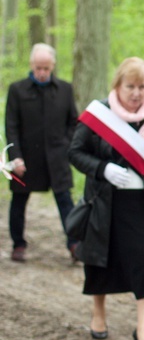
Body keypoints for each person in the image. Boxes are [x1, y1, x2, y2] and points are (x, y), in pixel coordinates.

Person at [68, 57, 144, 340]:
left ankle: (142, 330)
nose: (137, 93)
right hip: (105, 202)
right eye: (130, 86)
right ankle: (98, 314)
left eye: (142, 87)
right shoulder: (98, 114)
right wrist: (102, 169)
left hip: (143, 205)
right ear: (118, 84)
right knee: (101, 261)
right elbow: (75, 153)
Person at [5, 43, 79, 262]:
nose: (42, 73)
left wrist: (66, 145)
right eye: (38, 68)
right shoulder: (17, 90)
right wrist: (15, 157)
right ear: (31, 65)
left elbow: (74, 122)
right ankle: (18, 244)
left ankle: (74, 243)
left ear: (53, 66)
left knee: (66, 201)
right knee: (18, 201)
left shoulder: (65, 90)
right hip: (25, 158)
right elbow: (11, 126)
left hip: (57, 158)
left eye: (46, 68)